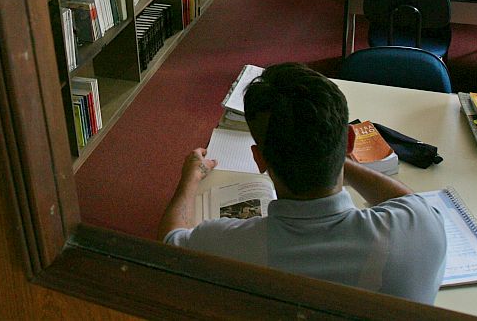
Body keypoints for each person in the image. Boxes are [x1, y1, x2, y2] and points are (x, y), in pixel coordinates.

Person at [158, 63, 447, 303]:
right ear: (349, 140)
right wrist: (334, 154)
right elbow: (407, 203)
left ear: (260, 160)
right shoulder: (420, 227)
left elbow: (170, 242)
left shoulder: (223, 247)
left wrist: (189, 180)